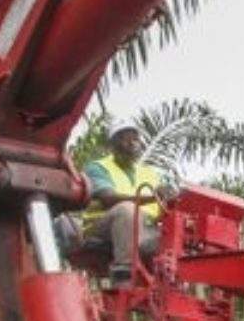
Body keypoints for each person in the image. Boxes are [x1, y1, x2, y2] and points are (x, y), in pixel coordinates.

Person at [54, 122, 175, 284]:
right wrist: (153, 198)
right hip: (103, 226)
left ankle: (171, 282)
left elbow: (163, 205)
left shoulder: (149, 174)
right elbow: (107, 199)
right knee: (126, 210)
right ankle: (123, 273)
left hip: (146, 228)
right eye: (125, 139)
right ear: (113, 145)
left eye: (135, 139)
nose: (132, 143)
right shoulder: (98, 168)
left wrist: (170, 199)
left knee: (178, 227)